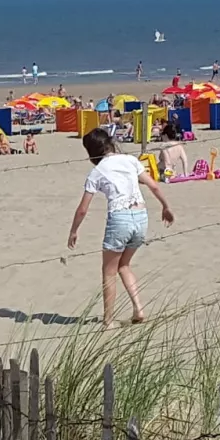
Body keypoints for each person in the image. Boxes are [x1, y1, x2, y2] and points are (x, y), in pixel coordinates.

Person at [67, 128, 175, 328]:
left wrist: (74, 231)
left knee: (108, 271)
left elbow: (83, 209)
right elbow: (154, 186)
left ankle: (108, 321)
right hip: (141, 216)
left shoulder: (97, 171)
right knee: (123, 265)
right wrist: (165, 206)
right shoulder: (130, 160)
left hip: (120, 218)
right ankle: (138, 309)